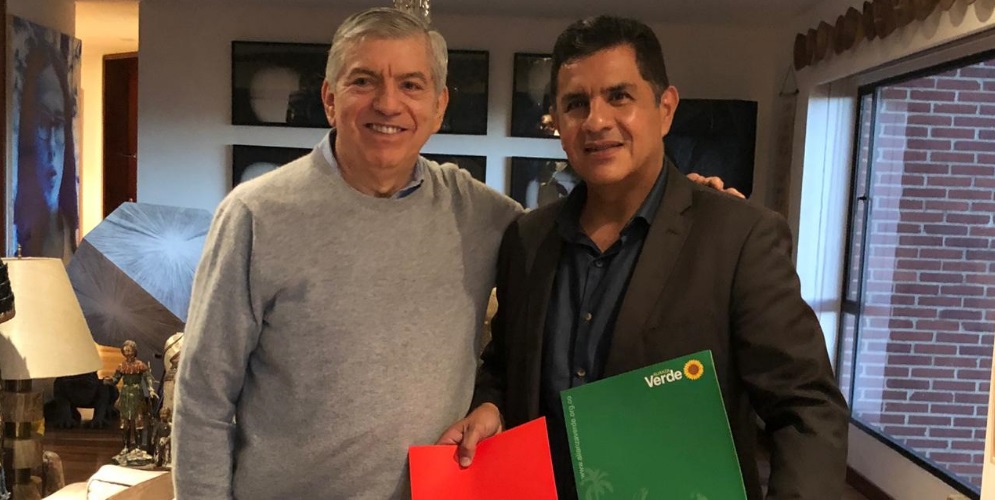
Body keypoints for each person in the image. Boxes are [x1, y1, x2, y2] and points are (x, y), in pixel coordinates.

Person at [438, 15, 849, 500]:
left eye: (619, 96)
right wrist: (492, 406)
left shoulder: (738, 237)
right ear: (558, 123)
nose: (596, 121)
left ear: (665, 108)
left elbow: (807, 411)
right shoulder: (527, 239)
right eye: (576, 103)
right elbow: (505, 366)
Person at [172, 8, 521, 499]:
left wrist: (494, 404)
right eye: (363, 81)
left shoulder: (482, 216)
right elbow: (203, 399)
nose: (388, 103)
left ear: (439, 106)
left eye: (411, 85)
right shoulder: (255, 215)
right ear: (330, 99)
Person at [13, 39, 79, 263]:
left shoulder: (67, 229)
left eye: (58, 124)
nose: (51, 146)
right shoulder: (16, 233)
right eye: (42, 122)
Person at [105, 340, 158, 462]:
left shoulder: (140, 365)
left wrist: (150, 388)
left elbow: (148, 377)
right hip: (125, 395)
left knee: (138, 421)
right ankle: (126, 446)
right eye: (125, 351)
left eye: (129, 350)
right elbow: (116, 379)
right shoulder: (121, 366)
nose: (128, 353)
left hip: (136, 394)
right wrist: (109, 381)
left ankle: (138, 447)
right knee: (125, 423)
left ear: (134, 351)